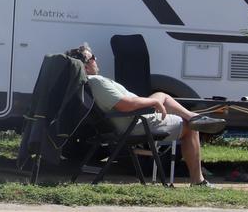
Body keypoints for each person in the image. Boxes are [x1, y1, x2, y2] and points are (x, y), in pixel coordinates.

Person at [67, 43, 224, 186]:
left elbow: (124, 104)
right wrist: (152, 103)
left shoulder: (88, 83)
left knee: (161, 95)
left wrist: (153, 102)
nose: (96, 59)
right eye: (92, 58)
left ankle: (193, 116)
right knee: (190, 127)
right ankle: (198, 180)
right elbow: (125, 105)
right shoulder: (96, 81)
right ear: (85, 66)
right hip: (135, 123)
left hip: (132, 119)